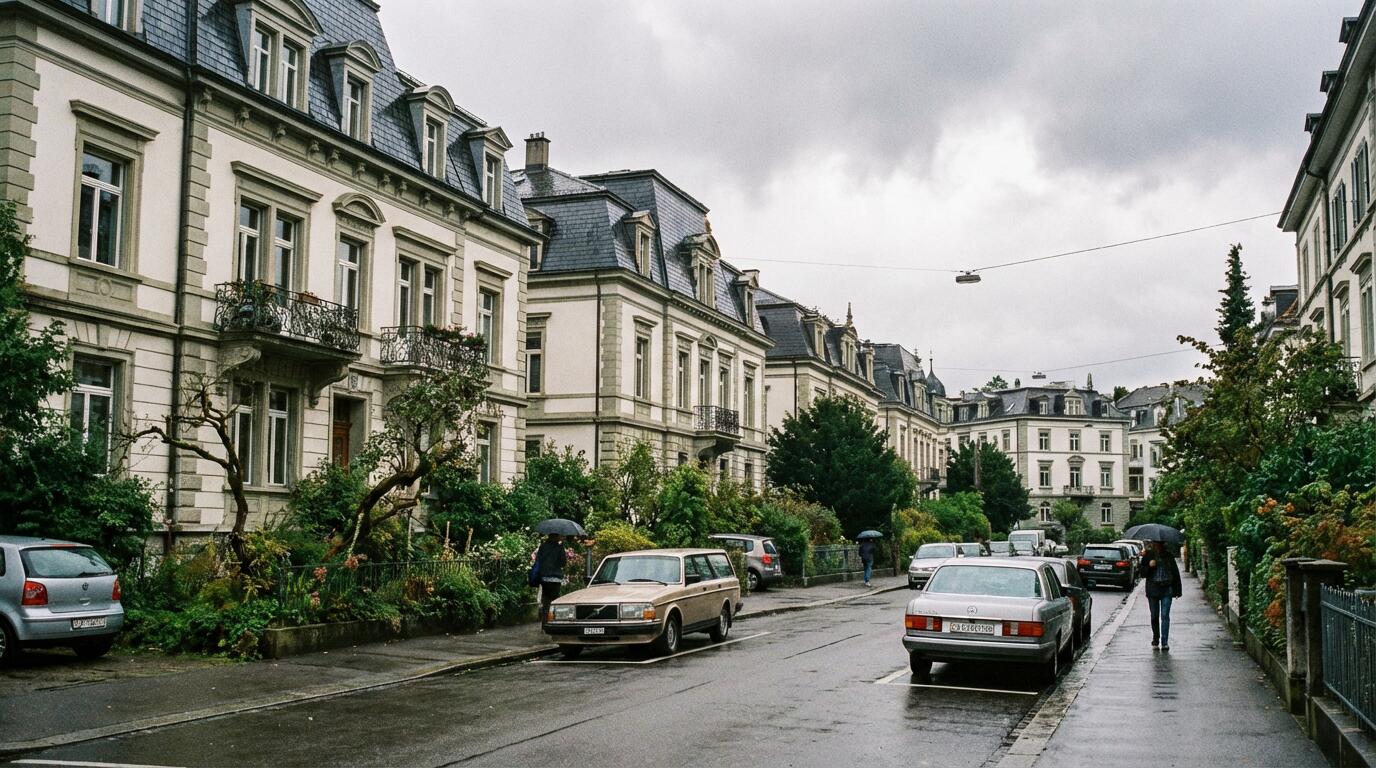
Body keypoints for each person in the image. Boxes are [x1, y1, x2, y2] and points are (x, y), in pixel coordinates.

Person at [1140, 540, 1183, 650]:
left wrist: (1178, 590)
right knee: (1154, 616)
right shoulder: (1148, 556)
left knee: (1165, 615)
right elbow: (1142, 573)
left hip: (1166, 589)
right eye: (1156, 544)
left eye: (1160, 544)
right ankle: (1156, 639)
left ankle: (1164, 642)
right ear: (1153, 544)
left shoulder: (1168, 556)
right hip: (1153, 589)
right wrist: (1149, 566)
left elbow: (1175, 572)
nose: (1158, 546)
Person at [534, 534, 566, 620]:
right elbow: (563, 563)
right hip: (555, 578)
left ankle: (544, 622)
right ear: (556, 537)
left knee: (546, 601)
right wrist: (562, 546)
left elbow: (538, 560)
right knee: (555, 602)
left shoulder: (543, 547)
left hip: (544, 577)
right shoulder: (559, 547)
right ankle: (553, 621)